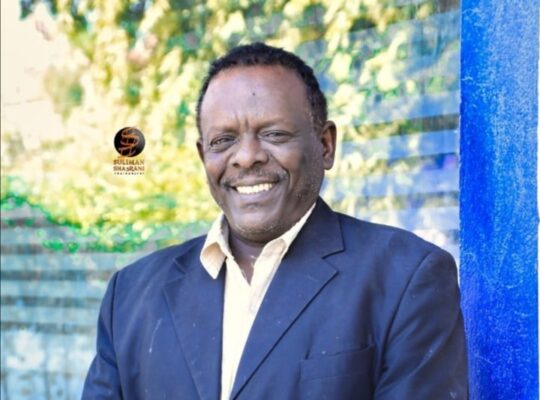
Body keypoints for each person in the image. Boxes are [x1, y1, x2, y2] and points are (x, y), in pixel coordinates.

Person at [83, 42, 468, 399]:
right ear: (204, 157)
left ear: (325, 145)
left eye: (274, 134)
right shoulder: (130, 296)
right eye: (223, 140)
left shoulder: (406, 277)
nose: (246, 156)